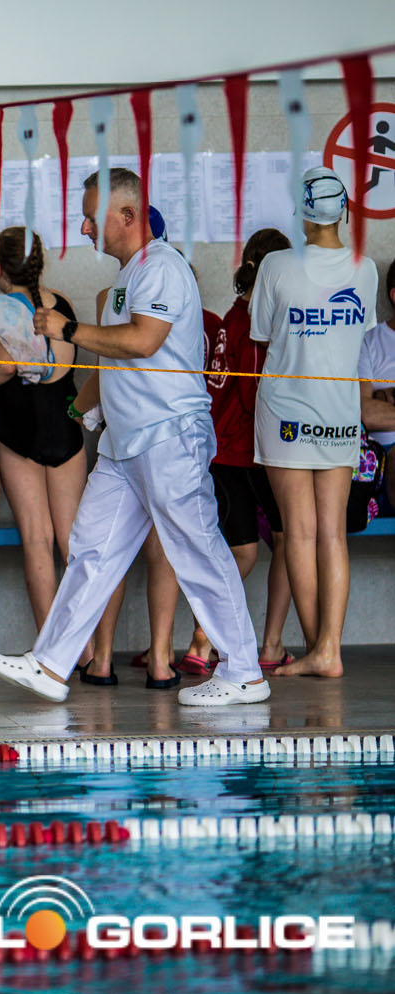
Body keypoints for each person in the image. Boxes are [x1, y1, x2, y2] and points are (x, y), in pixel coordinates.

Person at [0, 167, 268, 707]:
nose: (84, 228)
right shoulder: (123, 281)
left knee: (197, 550)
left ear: (128, 215)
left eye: (92, 217)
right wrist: (81, 409)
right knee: (91, 550)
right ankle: (52, 663)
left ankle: (245, 672)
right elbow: (112, 359)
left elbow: (142, 341)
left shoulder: (162, 268)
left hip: (169, 437)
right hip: (123, 444)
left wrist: (67, 329)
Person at [251, 166, 380, 679]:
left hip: (286, 413)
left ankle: (315, 649)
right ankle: (329, 648)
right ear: (343, 212)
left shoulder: (277, 266)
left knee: (299, 535)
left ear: (304, 216)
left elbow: (263, 335)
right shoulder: (365, 269)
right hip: (340, 413)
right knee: (333, 535)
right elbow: (359, 333)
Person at [0, 228, 88, 663]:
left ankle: (52, 654)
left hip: (20, 433)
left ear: (1, 268)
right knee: (72, 544)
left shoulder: (0, 314)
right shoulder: (62, 305)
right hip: (64, 428)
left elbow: (3, 368)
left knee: (37, 541)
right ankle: (89, 651)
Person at [176, 229, 297, 674]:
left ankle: (204, 642)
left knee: (243, 550)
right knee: (287, 540)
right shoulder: (256, 323)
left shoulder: (231, 314)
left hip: (221, 450)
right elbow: (253, 394)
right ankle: (267, 645)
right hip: (247, 451)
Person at [355, 258, 395, 511]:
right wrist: (374, 402)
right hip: (386, 451)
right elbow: (364, 413)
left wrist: (386, 397)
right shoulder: (369, 342)